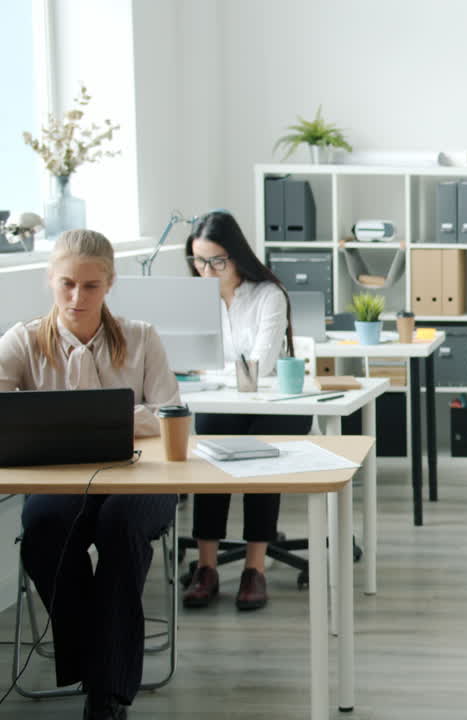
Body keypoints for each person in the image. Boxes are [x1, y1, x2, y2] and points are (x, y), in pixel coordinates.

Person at [0, 229, 181, 720]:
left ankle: (107, 697)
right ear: (50, 280)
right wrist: (127, 416)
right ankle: (97, 663)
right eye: (67, 284)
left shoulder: (141, 338)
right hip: (60, 479)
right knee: (43, 532)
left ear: (109, 284)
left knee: (119, 529)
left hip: (142, 478)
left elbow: (171, 413)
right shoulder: (22, 340)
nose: (77, 298)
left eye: (91, 286)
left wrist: (128, 419)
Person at [181, 211, 309, 611]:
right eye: (199, 261)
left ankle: (255, 568)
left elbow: (263, 363)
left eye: (217, 261)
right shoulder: (196, 300)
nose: (207, 271)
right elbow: (189, 358)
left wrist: (215, 371)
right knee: (209, 456)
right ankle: (207, 567)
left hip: (270, 404)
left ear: (236, 255)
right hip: (220, 401)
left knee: (259, 462)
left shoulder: (268, 295)